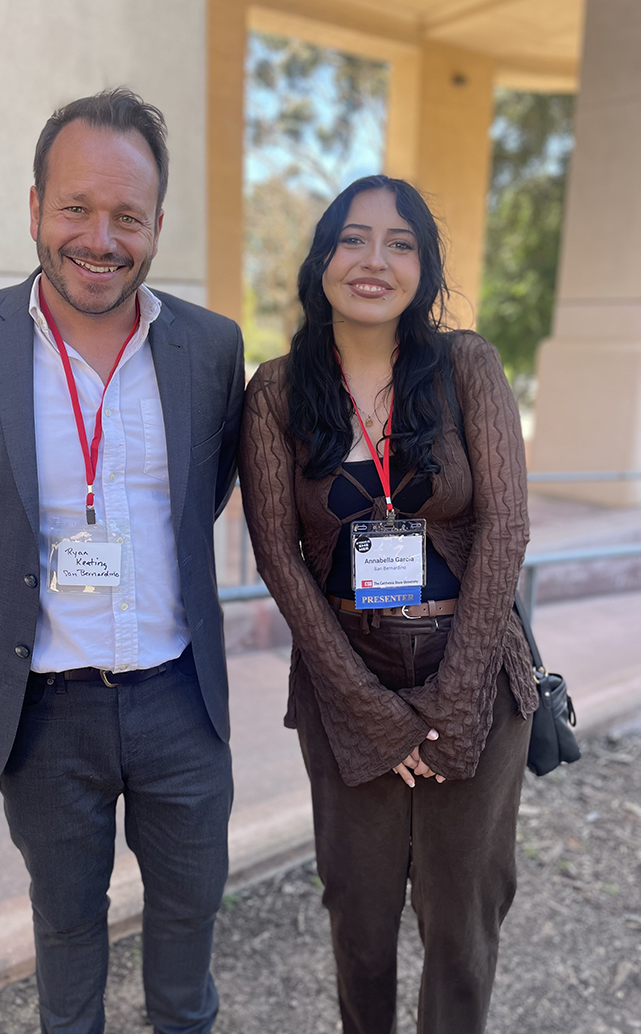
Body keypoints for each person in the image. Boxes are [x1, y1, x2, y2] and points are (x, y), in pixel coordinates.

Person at [0, 89, 244, 1034]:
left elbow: (198, 497)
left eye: (128, 216)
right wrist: (18, 569)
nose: (101, 238)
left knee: (186, 929)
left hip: (181, 698)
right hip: (43, 707)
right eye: (77, 208)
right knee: (67, 934)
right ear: (35, 205)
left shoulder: (212, 347)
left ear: (157, 225)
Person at [239, 175, 537, 1034]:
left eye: (400, 242)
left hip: (473, 682)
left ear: (425, 267)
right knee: (360, 925)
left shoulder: (467, 365)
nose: (375, 259)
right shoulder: (279, 390)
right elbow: (278, 555)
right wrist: (372, 712)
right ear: (322, 258)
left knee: (462, 930)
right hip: (346, 688)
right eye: (354, 238)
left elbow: (505, 527)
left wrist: (451, 705)